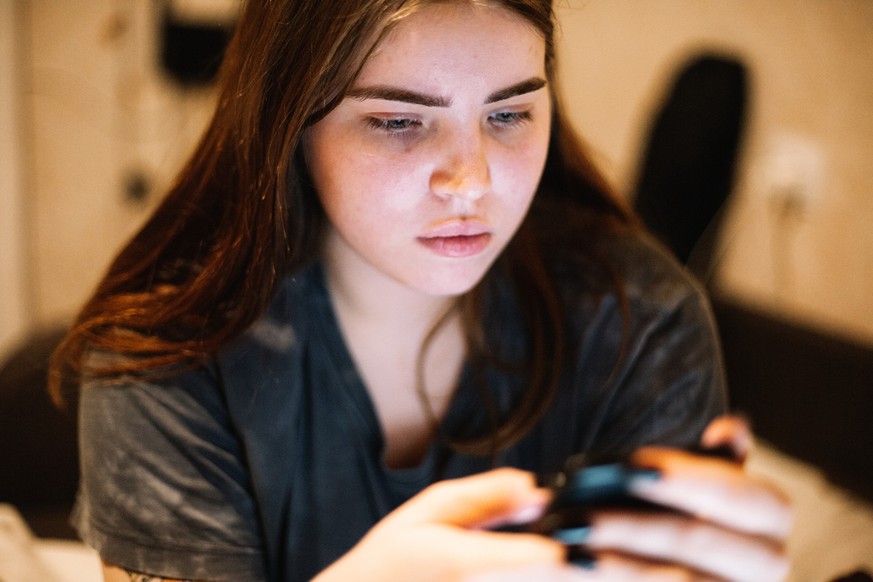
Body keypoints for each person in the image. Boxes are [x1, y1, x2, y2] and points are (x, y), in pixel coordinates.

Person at [50, 0, 792, 580]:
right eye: (400, 121)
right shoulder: (167, 354)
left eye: (508, 114)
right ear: (289, 124)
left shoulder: (639, 318)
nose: (470, 180)